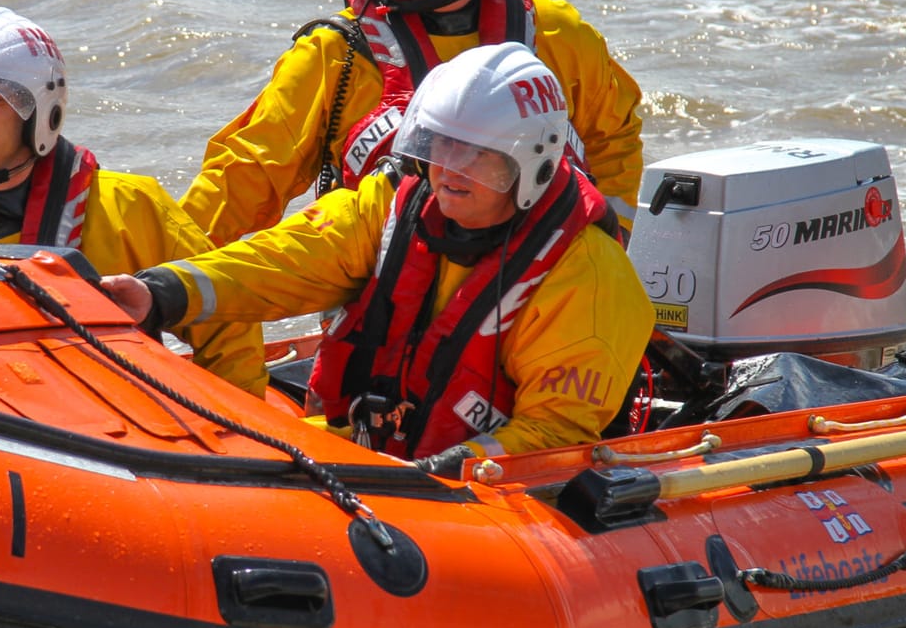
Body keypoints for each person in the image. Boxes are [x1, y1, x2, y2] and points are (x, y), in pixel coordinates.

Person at [103, 43, 652, 466]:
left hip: (481, 497)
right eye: (440, 145)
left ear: (531, 165)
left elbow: (554, 436)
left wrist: (446, 471)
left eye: (477, 156)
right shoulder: (393, 206)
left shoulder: (588, 278)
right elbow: (288, 259)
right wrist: (161, 291)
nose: (449, 169)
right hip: (378, 454)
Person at [180, 0, 644, 249]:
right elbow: (245, 175)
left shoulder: (555, 33)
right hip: (385, 298)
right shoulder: (334, 54)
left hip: (535, 284)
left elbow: (613, 136)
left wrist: (610, 237)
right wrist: (167, 270)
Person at [0, 6, 268, 396]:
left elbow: (227, 331)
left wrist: (241, 437)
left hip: (118, 427)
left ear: (38, 114)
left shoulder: (129, 207)